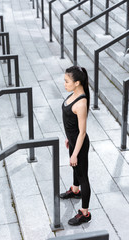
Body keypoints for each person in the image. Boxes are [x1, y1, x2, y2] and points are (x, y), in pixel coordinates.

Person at [60, 66, 91, 226]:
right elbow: (71, 124)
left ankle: (85, 213)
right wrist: (68, 138)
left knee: (82, 175)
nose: (64, 83)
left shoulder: (81, 103)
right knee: (75, 169)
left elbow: (82, 132)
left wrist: (74, 153)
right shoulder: (74, 95)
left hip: (80, 144)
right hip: (72, 141)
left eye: (67, 81)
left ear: (77, 82)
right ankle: (75, 190)